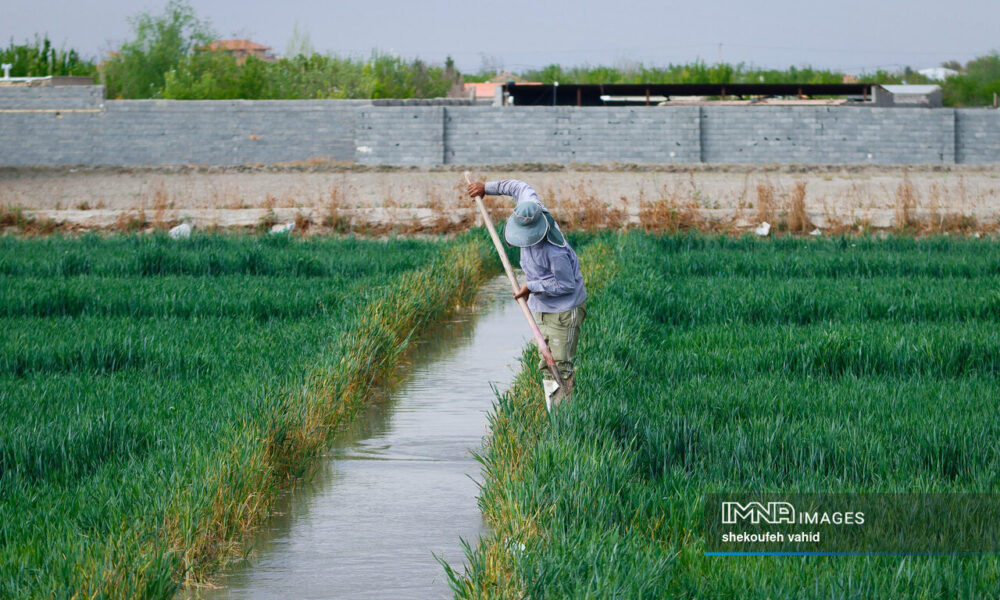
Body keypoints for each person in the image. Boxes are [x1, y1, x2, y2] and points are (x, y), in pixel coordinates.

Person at [467, 178, 587, 411]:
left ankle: (564, 419)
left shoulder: (555, 252)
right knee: (546, 361)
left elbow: (566, 285)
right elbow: (517, 186)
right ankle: (553, 411)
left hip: (564, 310)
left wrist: (532, 286)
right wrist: (486, 188)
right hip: (542, 307)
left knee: (560, 365)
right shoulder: (530, 205)